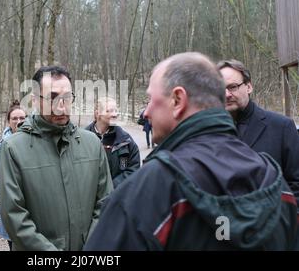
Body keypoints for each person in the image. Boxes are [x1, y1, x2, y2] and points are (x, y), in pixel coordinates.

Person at [84, 52, 297, 250]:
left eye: (151, 99)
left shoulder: (150, 190)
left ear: (178, 100)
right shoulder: (273, 181)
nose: (146, 112)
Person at [0, 65, 113, 250]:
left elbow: (106, 203)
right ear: (35, 100)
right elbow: (14, 216)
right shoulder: (13, 148)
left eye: (67, 98)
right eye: (52, 97)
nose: (61, 106)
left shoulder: (92, 144)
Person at [217, 60, 299, 209]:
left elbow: (296, 185)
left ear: (249, 86)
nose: (227, 94)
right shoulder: (211, 133)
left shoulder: (282, 127)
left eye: (233, 87)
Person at [0, 100, 26, 250]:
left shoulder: (38, 144)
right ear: (8, 122)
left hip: (36, 213)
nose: (19, 122)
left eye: (22, 118)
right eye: (14, 119)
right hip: (10, 214)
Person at [85, 97, 140, 187]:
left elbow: (133, 169)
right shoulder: (82, 139)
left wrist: (111, 188)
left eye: (115, 110)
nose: (115, 114)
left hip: (117, 197)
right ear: (97, 113)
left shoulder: (126, 140)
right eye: (109, 111)